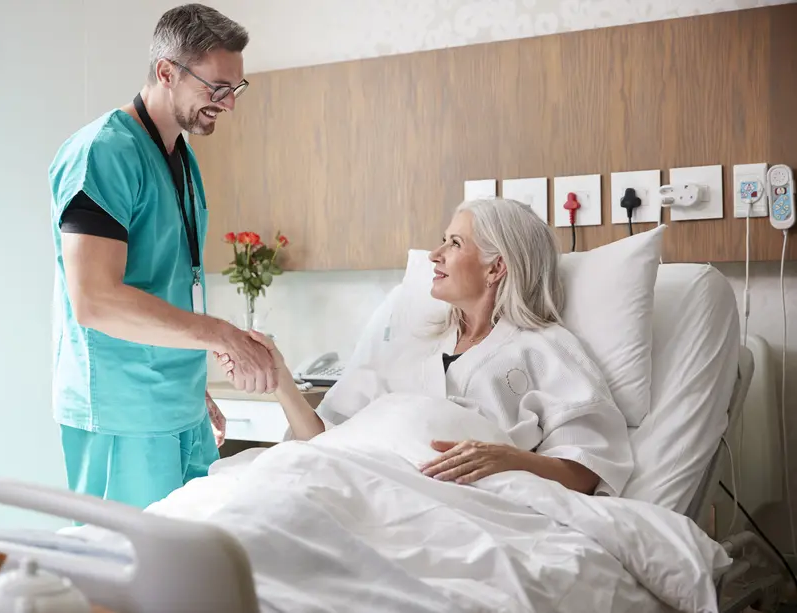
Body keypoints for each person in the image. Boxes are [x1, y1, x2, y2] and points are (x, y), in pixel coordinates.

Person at [216, 198, 634, 496]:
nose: (435, 254)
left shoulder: (546, 349)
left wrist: (507, 458)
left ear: (497, 266)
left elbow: (586, 470)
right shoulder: (412, 344)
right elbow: (324, 442)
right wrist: (281, 379)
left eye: (454, 243)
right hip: (363, 484)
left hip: (459, 504)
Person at [48, 4, 277, 510]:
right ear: (166, 72)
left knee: (186, 566)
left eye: (234, 89)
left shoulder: (181, 158)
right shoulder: (104, 153)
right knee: (132, 573)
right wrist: (221, 336)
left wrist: (191, 383)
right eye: (216, 88)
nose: (228, 104)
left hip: (178, 405)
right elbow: (95, 301)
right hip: (121, 410)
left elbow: (170, 283)